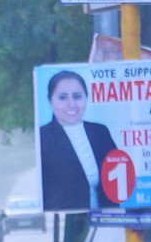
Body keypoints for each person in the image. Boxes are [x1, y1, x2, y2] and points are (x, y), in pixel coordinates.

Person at [37, 68, 120, 211]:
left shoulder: (100, 132)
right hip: (65, 220)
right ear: (50, 100)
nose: (72, 104)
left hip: (106, 218)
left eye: (77, 96)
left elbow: (116, 179)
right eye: (63, 97)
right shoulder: (42, 138)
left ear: (86, 98)